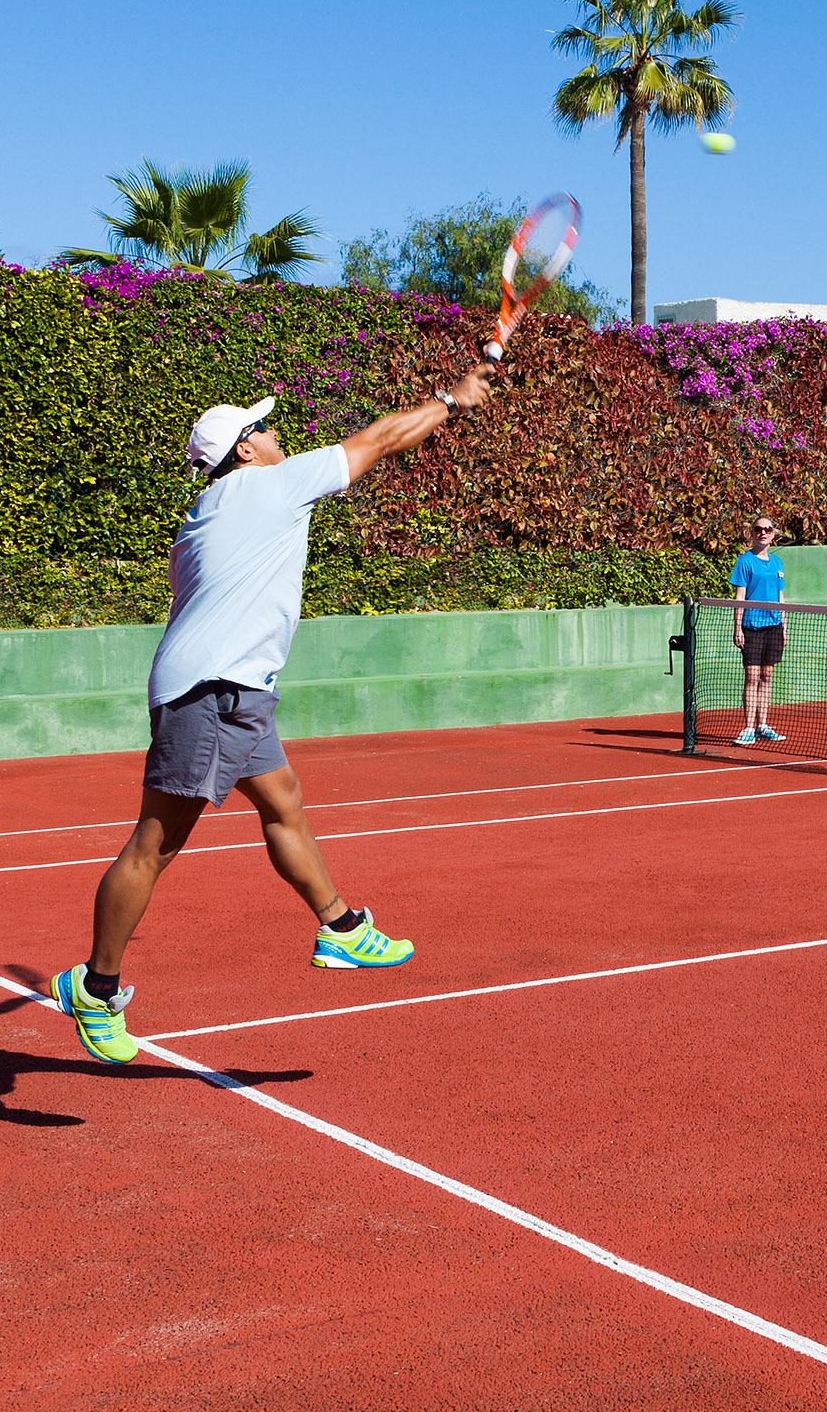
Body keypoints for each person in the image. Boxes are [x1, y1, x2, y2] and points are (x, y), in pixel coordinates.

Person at [50, 366, 494, 1066]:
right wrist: (451, 400)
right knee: (155, 845)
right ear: (245, 451)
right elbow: (379, 439)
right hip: (211, 690)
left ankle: (340, 927)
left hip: (232, 687)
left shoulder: (203, 517)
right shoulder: (265, 487)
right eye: (261, 427)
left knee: (282, 799)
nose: (274, 430)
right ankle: (94, 987)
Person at [727, 514, 787, 745]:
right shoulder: (744, 561)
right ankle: (749, 727)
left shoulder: (777, 563)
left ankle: (763, 725)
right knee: (752, 677)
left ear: (773, 535)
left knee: (767, 676)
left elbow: (780, 597)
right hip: (752, 626)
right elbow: (739, 596)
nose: (763, 532)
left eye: (768, 529)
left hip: (774, 626)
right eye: (758, 529)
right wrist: (737, 627)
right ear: (752, 533)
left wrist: (784, 626)